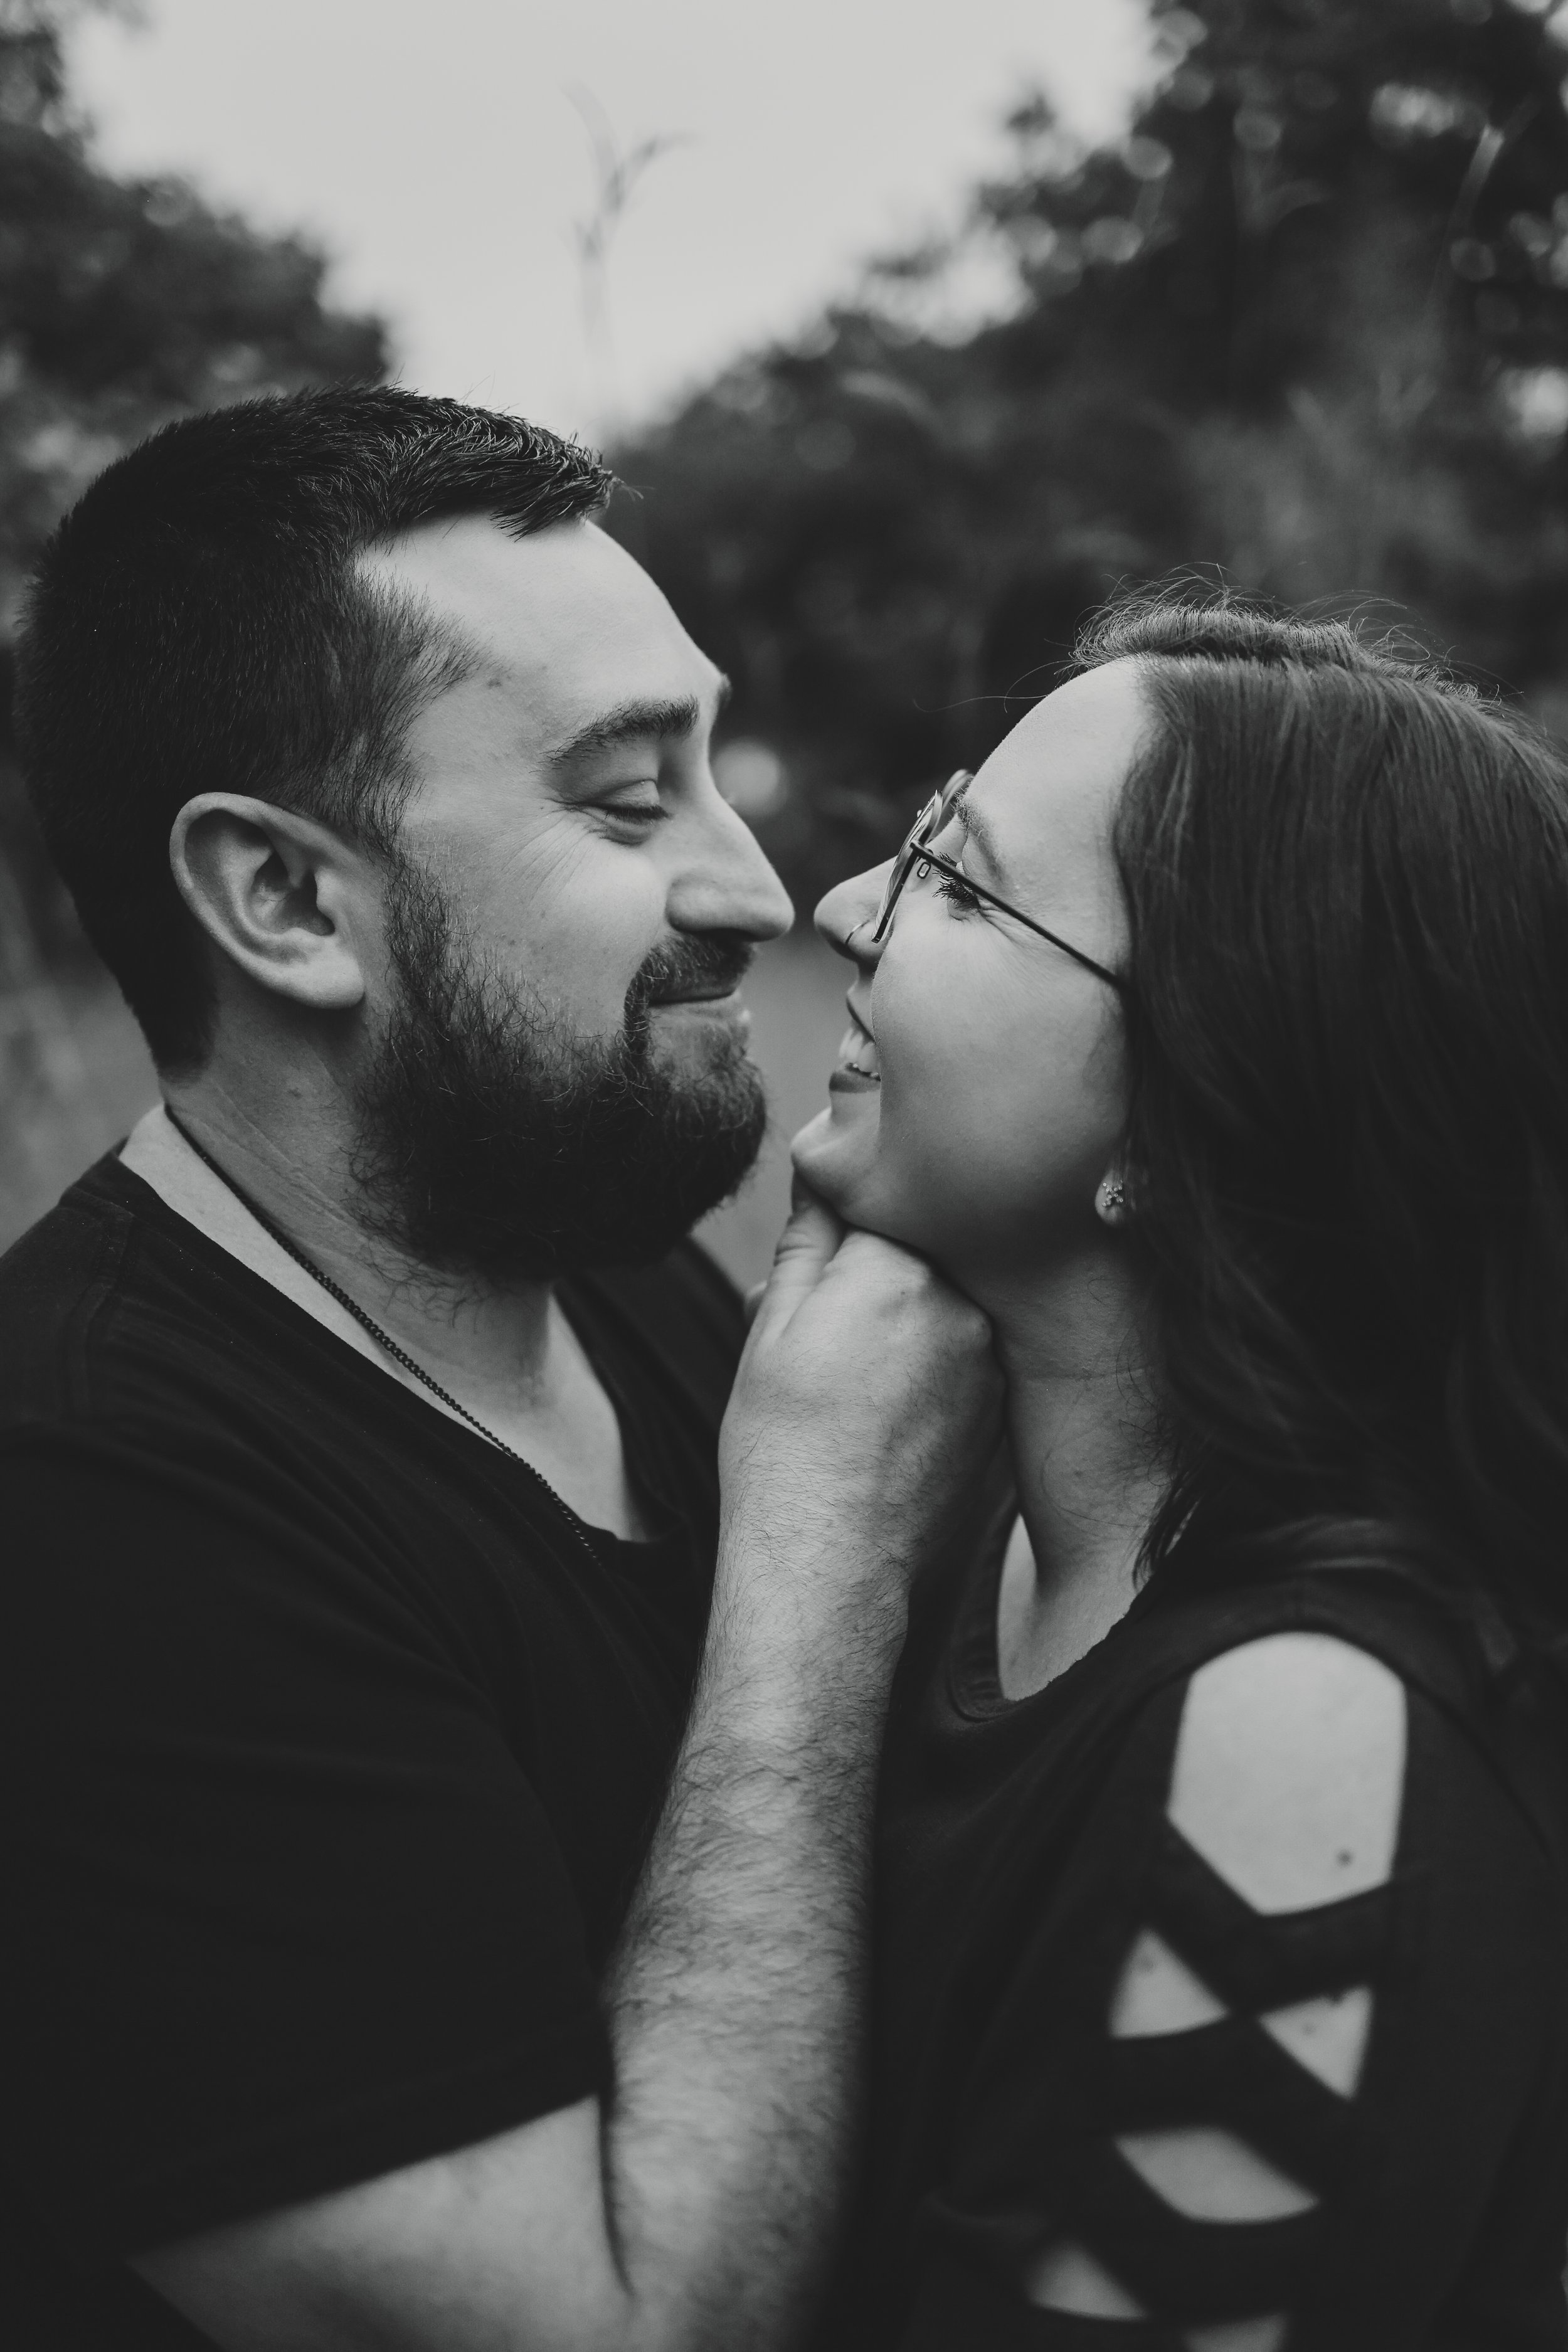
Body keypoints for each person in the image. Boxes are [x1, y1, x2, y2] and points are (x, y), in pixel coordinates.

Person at [0, 386, 1001, 2352]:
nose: (754, 888)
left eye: (713, 771)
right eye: (628, 799)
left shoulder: (594, 1261)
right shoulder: (87, 1511)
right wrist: (812, 1541)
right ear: (283, 901)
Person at [795, 592, 1568, 2349]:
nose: (844, 912)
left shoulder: (1300, 1730)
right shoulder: (951, 1508)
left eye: (963, 888)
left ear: (1188, 1099)